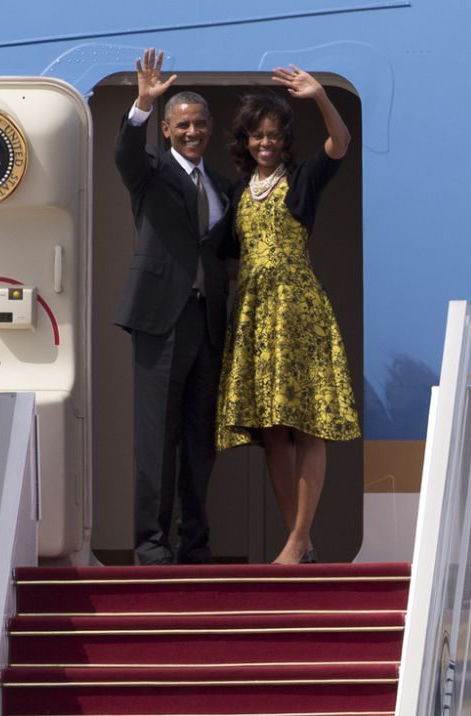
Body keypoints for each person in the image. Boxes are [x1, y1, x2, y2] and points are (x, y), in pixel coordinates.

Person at [216, 65, 360, 565]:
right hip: (254, 312)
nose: (265, 143)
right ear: (246, 139)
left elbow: (339, 142)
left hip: (297, 307)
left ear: (284, 140)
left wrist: (320, 96)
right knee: (273, 431)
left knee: (308, 425)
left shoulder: (301, 178)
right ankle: (298, 540)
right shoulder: (236, 191)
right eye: (257, 135)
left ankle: (298, 540)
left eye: (274, 135)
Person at [113, 48, 235, 565]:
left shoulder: (224, 186)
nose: (192, 132)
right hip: (160, 321)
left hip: (207, 324)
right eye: (182, 124)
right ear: (166, 130)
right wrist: (141, 103)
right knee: (157, 438)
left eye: (200, 124)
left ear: (210, 128)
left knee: (199, 439)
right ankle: (151, 545)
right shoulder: (151, 172)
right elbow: (124, 153)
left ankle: (195, 542)